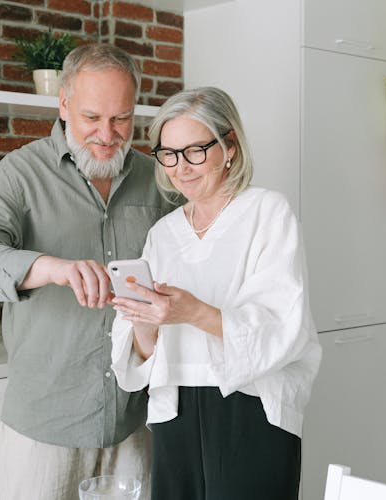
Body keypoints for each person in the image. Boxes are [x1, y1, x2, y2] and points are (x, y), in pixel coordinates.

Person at [0, 43, 176, 500]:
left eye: (122, 118)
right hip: (43, 430)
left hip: (136, 423)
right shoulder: (20, 173)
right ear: (64, 104)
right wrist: (45, 266)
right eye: (92, 117)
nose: (108, 134)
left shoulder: (159, 179)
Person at [109, 86, 322, 500]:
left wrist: (192, 312)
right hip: (175, 411)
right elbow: (143, 355)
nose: (180, 168)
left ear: (229, 146)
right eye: (168, 154)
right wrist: (143, 319)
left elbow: (283, 323)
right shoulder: (163, 233)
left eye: (194, 151)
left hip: (251, 408)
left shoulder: (267, 213)